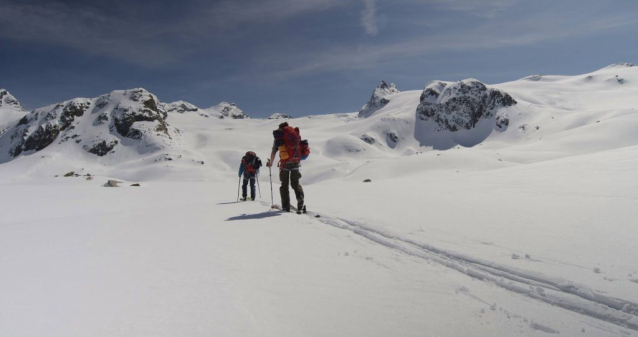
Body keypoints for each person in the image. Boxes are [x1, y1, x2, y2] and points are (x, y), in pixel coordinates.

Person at [266, 122, 309, 213]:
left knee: (284, 185)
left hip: (285, 163)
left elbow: (274, 151)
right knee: (295, 184)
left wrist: (271, 163)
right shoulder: (295, 134)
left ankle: (286, 206)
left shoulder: (279, 135)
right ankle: (300, 202)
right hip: (296, 162)